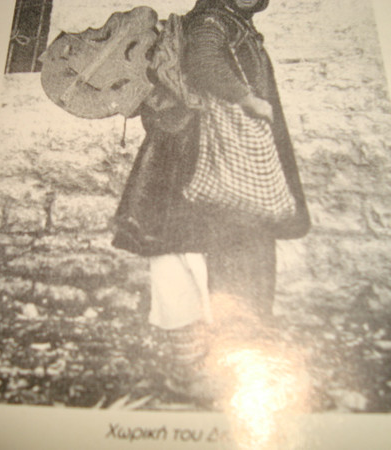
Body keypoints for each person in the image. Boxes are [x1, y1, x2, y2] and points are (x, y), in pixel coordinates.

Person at [111, 0, 310, 399]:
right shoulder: (211, 21)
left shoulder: (224, 21)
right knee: (199, 263)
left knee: (195, 260)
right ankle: (201, 371)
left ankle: (215, 368)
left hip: (200, 163)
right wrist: (248, 100)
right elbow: (204, 62)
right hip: (202, 162)